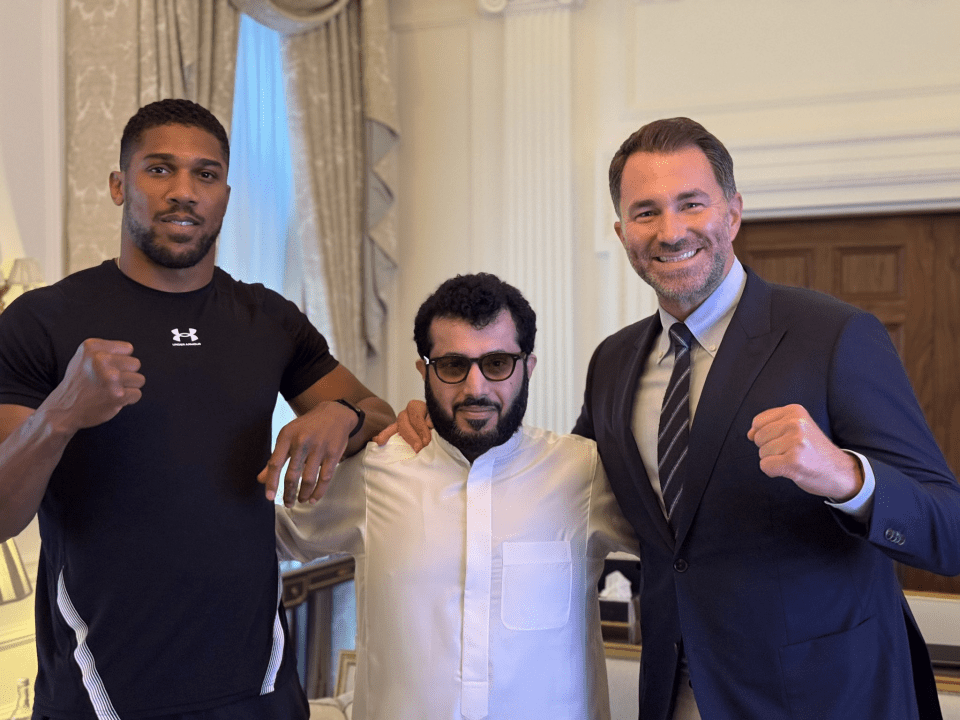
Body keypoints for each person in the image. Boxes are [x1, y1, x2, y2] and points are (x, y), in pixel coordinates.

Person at [391, 118, 960, 720]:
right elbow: (561, 490)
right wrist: (442, 422)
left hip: (827, 696)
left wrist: (848, 477)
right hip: (675, 694)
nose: (671, 230)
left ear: (733, 213)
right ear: (621, 231)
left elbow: (948, 528)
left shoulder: (835, 336)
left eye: (692, 204)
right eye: (645, 212)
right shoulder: (613, 361)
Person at [0, 99, 395, 719]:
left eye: (205, 175)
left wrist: (338, 414)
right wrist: (61, 413)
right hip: (101, 697)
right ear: (118, 185)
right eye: (159, 170)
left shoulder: (267, 318)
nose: (183, 192)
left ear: (226, 195)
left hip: (259, 693)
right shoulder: (41, 321)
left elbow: (378, 412)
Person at [275, 273, 638, 720]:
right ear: (423, 371)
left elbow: (685, 550)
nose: (475, 388)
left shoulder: (583, 471)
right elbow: (264, 533)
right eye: (452, 366)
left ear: (528, 367)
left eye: (498, 363)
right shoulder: (376, 471)